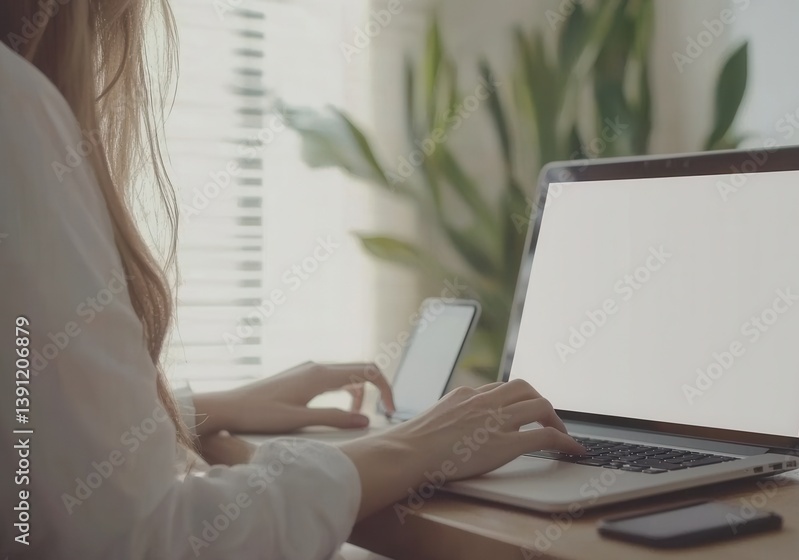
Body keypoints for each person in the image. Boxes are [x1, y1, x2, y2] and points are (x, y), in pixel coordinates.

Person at [0, 1, 584, 558]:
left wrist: (201, 409)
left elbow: (36, 456)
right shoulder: (16, 105)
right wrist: (413, 446)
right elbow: (148, 541)